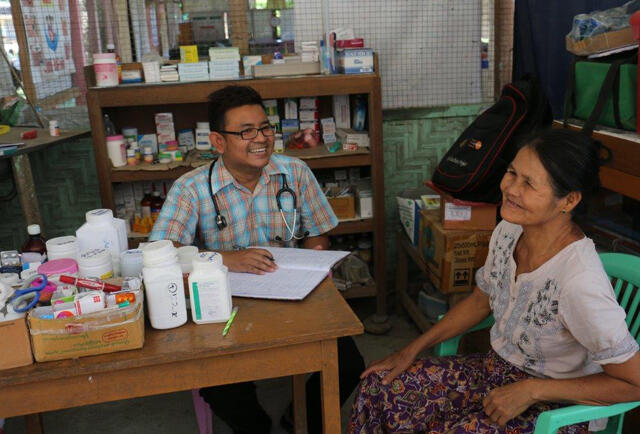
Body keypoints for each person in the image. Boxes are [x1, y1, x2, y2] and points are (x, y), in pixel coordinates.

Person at [350, 129, 640, 433]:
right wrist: (412, 349)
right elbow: (481, 299)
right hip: (493, 373)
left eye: (528, 183)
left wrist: (532, 390)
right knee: (379, 386)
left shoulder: (579, 281)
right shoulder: (509, 231)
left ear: (568, 200)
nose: (511, 189)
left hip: (554, 408)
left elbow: (634, 383)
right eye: (512, 173)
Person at [149, 85, 364, 433]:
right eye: (245, 132)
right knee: (220, 379)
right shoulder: (191, 189)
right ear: (218, 142)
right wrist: (227, 259)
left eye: (265, 128)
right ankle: (256, 427)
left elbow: (318, 231)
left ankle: (300, 417)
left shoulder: (294, 173)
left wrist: (317, 257)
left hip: (295, 295)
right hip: (226, 306)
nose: (260, 139)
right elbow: (161, 253)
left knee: (348, 362)